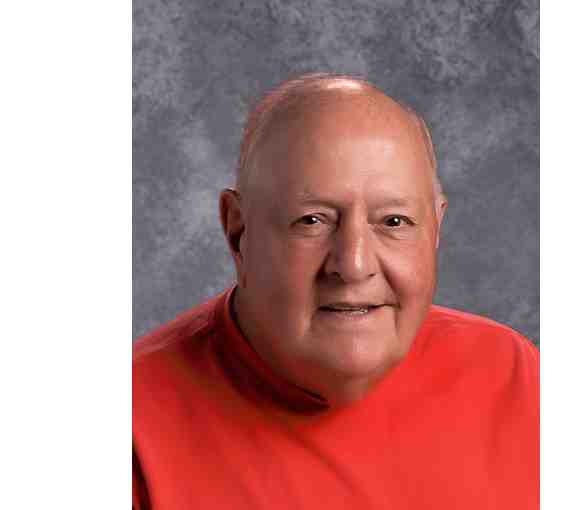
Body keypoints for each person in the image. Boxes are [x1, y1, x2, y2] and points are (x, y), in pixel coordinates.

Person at [133, 73, 539, 509]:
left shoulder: (511, 375)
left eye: (394, 221)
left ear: (435, 230)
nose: (354, 265)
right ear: (239, 232)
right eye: (312, 220)